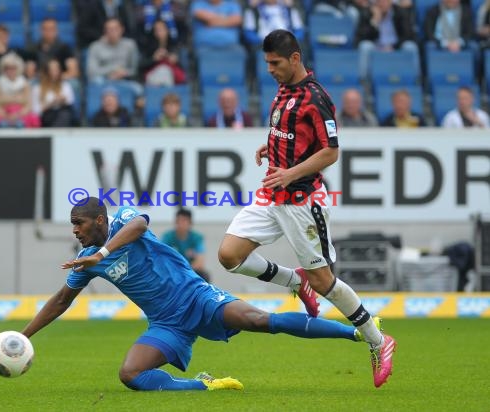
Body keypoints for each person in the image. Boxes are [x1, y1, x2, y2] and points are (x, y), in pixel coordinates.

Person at [21, 197, 378, 391]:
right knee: (130, 375)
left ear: (99, 220)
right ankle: (203, 385)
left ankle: (357, 331)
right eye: (72, 225)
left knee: (261, 320)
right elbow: (60, 301)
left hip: (197, 297)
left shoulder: (123, 220)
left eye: (78, 223)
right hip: (166, 323)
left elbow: (140, 225)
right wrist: (23, 337)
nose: (75, 231)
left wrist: (102, 253)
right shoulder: (86, 261)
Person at [216, 29, 396, 389]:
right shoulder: (284, 90)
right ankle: (295, 280)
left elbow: (331, 151)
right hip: (272, 194)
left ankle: (378, 340)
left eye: (275, 63)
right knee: (229, 255)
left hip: (302, 201)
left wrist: (290, 172)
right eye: (267, 63)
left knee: (324, 281)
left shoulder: (317, 98)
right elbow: (292, 135)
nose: (270, 69)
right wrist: (271, 148)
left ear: (295, 59)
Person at [0, 53, 40, 128]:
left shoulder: (25, 84)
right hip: (2, 115)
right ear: (3, 69)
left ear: (18, 68)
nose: (10, 71)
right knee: (2, 124)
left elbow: (28, 106)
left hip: (21, 115)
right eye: (7, 68)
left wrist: (17, 115)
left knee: (23, 123)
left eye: (13, 68)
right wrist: (6, 116)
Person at [162, 209, 210, 282]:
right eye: (178, 221)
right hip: (172, 271)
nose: (180, 224)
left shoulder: (197, 237)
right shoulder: (167, 237)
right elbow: (161, 257)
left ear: (190, 223)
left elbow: (200, 262)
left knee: (204, 275)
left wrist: (185, 272)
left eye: (184, 221)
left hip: (190, 271)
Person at [32, 59, 76, 127]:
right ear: (46, 72)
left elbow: (71, 101)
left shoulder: (65, 85)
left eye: (57, 69)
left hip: (62, 112)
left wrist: (63, 100)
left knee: (65, 114)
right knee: (60, 116)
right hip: (47, 116)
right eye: (52, 70)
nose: (55, 72)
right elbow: (35, 110)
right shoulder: (38, 88)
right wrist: (50, 104)